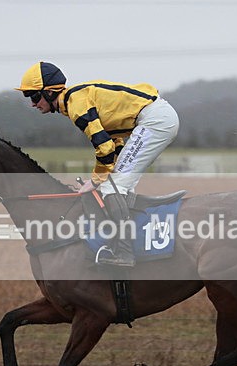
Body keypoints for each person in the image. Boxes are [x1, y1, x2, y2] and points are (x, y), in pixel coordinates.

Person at [16, 61, 180, 267]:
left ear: (49, 92)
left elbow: (104, 148)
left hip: (155, 121)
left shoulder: (76, 104)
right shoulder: (74, 102)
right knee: (116, 184)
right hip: (157, 118)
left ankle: (125, 252)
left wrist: (95, 180)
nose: (32, 103)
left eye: (33, 96)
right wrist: (105, 176)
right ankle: (131, 242)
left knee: (114, 186)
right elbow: (114, 142)